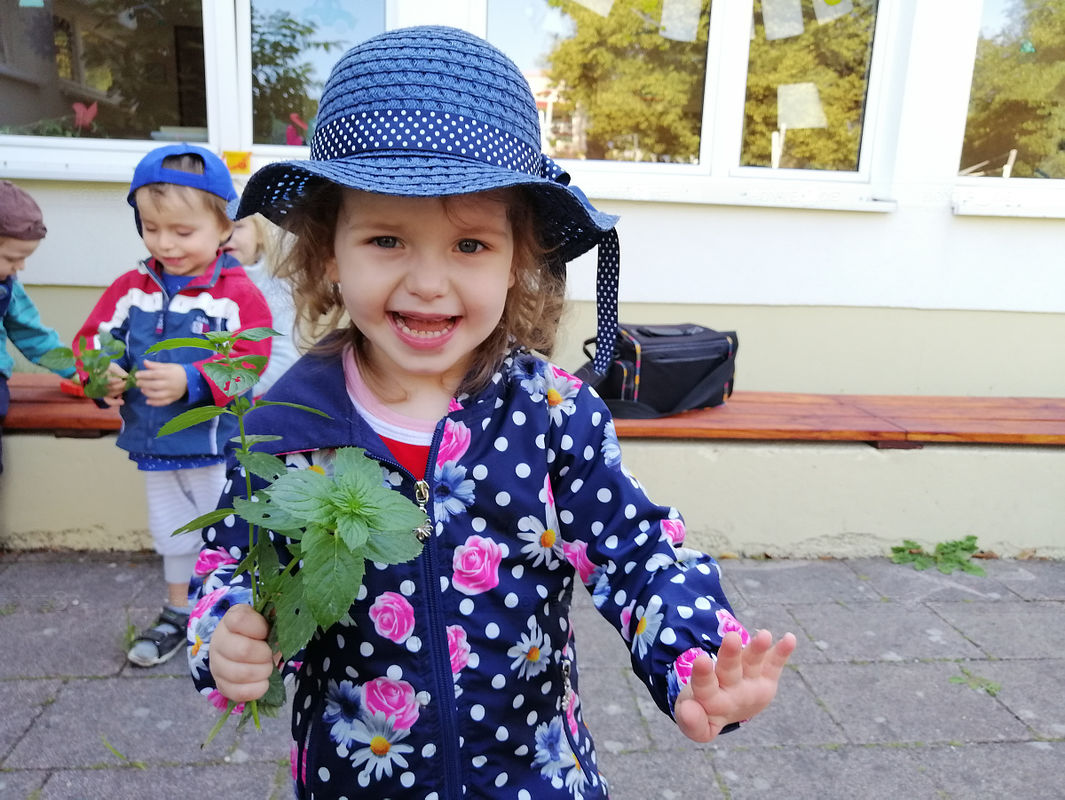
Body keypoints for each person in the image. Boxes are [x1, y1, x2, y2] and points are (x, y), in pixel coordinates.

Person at [188, 26, 795, 799]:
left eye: (470, 245)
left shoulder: (550, 415)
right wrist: (226, 635)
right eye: (386, 239)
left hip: (535, 775)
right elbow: (230, 563)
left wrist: (696, 658)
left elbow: (638, 551)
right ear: (329, 254)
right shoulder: (286, 423)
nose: (429, 282)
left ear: (519, 262)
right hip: (360, 776)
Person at [74, 143, 272, 667]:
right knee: (169, 531)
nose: (166, 243)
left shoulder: (235, 293)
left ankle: (231, 611)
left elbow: (251, 358)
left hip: (216, 444)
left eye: (183, 232)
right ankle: (178, 612)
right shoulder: (131, 288)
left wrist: (192, 380)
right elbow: (95, 340)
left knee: (224, 526)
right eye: (151, 228)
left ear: (224, 228)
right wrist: (103, 375)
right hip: (155, 440)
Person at [0, 181, 77, 475]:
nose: (21, 267)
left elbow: (31, 334)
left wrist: (75, 368)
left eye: (25, 258)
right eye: (12, 258)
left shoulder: (6, 288)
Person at [221, 205, 300, 396]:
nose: (228, 235)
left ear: (259, 234)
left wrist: (230, 393)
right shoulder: (200, 285)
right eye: (220, 227)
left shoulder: (276, 287)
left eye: (238, 226)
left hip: (252, 399)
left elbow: (285, 356)